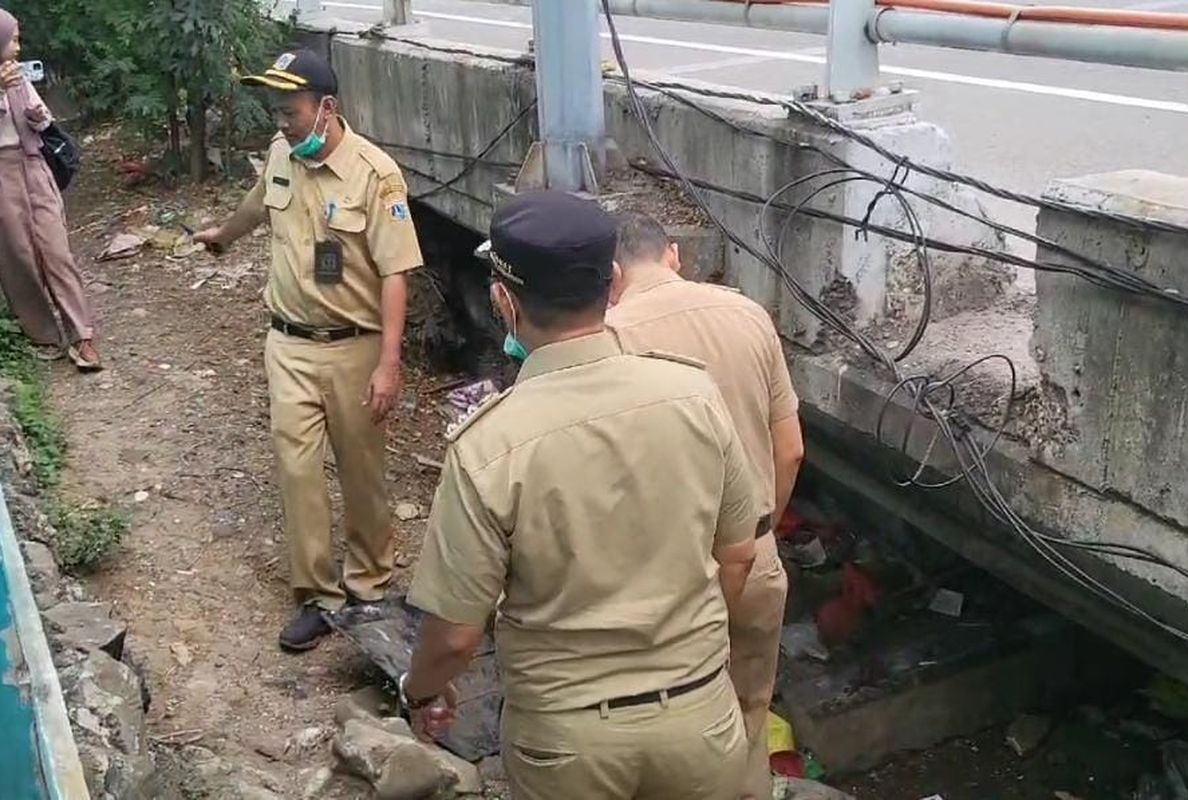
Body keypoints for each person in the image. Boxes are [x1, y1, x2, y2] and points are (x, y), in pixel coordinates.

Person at [401, 190, 762, 800]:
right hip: (700, 721)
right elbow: (740, 554)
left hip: (567, 743)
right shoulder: (695, 396)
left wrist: (421, 691)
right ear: (614, 283)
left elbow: (457, 634)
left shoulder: (490, 446)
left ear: (503, 302)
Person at [194, 50, 424, 651]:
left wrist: (389, 363)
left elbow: (397, 272)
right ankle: (318, 597)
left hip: (354, 347)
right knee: (298, 471)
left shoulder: (375, 175)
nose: (281, 122)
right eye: (274, 110)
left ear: (327, 108)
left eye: (290, 111)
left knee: (362, 471)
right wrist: (223, 234)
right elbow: (257, 202)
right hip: (288, 343)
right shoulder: (280, 156)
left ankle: (369, 584)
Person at [607, 212, 806, 800]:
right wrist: (761, 527)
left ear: (611, 273)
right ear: (673, 255)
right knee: (749, 708)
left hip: (667, 573)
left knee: (668, 722)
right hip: (757, 553)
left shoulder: (611, 336)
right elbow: (790, 450)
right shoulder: (749, 314)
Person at [0, 9, 101, 370]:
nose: (18, 45)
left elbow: (44, 122)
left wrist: (32, 110)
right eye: (12, 39)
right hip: (1, 174)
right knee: (18, 258)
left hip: (34, 165)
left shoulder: (19, 78)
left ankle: (83, 336)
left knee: (56, 251)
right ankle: (43, 334)